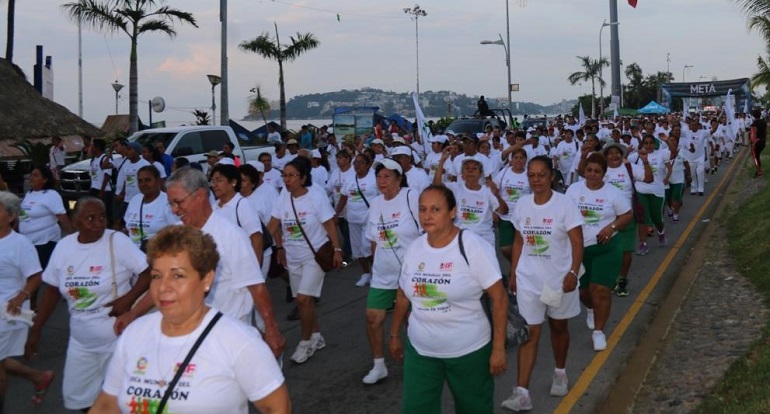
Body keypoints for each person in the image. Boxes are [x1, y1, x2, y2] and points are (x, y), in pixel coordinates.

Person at [90, 225, 291, 413]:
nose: (163, 287)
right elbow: (107, 404)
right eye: (156, 276)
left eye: (177, 276)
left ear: (206, 279)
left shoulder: (239, 342)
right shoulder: (135, 334)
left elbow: (278, 407)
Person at [114, 167, 285, 357]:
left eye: (178, 202)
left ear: (201, 195)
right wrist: (133, 313)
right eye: (171, 204)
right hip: (191, 340)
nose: (174, 210)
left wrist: (272, 330)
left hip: (229, 340)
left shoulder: (230, 236)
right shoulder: (175, 236)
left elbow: (256, 287)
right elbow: (163, 284)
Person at [389, 184, 508, 413]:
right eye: (423, 209)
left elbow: (500, 298)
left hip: (469, 352)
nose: (427, 216)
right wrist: (394, 334)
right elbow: (403, 294)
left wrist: (498, 348)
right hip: (421, 351)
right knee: (415, 409)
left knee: (474, 408)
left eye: (435, 209)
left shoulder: (472, 246)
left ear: (453, 212)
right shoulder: (414, 248)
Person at [25, 198, 150, 411]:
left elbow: (148, 272)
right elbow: (52, 291)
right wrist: (36, 329)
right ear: (75, 222)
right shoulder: (64, 247)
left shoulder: (117, 241)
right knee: (81, 400)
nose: (98, 223)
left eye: (102, 217)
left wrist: (128, 299)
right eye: (90, 218)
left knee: (122, 401)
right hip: (82, 343)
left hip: (118, 341)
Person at [501, 155, 584, 412]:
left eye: (541, 175)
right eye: (532, 175)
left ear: (551, 176)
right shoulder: (523, 204)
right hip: (528, 281)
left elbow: (577, 241)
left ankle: (560, 372)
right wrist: (514, 273)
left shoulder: (564, 204)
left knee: (559, 328)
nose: (536, 180)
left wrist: (572, 272)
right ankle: (522, 393)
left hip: (557, 281)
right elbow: (518, 240)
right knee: (530, 335)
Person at [267, 158, 343, 364]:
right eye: (285, 175)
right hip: (293, 258)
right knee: (305, 302)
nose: (287, 179)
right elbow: (273, 225)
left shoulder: (315, 197)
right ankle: (317, 336)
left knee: (302, 299)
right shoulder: (283, 198)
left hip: (314, 256)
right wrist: (270, 246)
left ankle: (305, 342)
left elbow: (329, 224)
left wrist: (337, 249)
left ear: (303, 178)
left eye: (291, 175)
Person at [360, 158, 422, 385]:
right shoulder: (375, 204)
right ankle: (378, 365)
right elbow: (374, 239)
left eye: (387, 176)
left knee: (412, 319)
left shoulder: (411, 196)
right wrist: (376, 265)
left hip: (411, 273)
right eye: (379, 176)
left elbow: (426, 230)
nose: (382, 181)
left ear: (399, 179)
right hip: (383, 274)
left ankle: (418, 363)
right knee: (372, 317)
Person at [566, 153, 632, 351]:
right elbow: (564, 215)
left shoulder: (613, 193)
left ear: (604, 173)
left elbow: (627, 215)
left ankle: (599, 332)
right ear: (584, 171)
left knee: (600, 290)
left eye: (597, 171)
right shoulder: (573, 190)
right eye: (589, 170)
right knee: (584, 292)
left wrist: (610, 228)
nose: (593, 175)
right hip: (579, 249)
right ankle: (590, 309)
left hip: (607, 248)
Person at [0, 191, 55, 409]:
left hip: (8, 311)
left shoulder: (20, 244)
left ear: (11, 216)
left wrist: (21, 296)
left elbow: (36, 276)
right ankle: (38, 377)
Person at [19, 165, 74, 309]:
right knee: (31, 275)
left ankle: (33, 305)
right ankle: (33, 304)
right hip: (28, 242)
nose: (32, 178)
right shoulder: (30, 194)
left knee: (35, 276)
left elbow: (62, 216)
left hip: (45, 242)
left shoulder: (51, 195)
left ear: (45, 179)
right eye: (31, 175)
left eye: (36, 175)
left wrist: (73, 237)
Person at [602, 143, 652, 297]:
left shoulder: (629, 168)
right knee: (607, 250)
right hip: (605, 217)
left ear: (622, 155)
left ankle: (622, 280)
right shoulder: (601, 170)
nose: (614, 156)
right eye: (610, 153)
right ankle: (609, 279)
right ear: (605, 156)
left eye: (617, 153)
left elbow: (648, 178)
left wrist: (645, 161)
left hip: (627, 215)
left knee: (625, 250)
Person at [434, 151, 507, 249]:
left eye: (474, 168)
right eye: (467, 168)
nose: (470, 171)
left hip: (483, 239)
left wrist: (497, 195)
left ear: (480, 174)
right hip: (460, 238)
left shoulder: (488, 191)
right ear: (462, 174)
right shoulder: (456, 188)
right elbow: (436, 186)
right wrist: (442, 161)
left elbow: (504, 211)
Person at [335, 153, 378, 287]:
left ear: (368, 165)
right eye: (355, 163)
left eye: (360, 162)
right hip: (353, 219)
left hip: (369, 219)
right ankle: (366, 274)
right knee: (357, 249)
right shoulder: (350, 179)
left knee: (367, 247)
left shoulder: (374, 178)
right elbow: (343, 197)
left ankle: (376, 274)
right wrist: (336, 213)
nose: (357, 165)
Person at [627, 134, 671, 255]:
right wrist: (626, 152)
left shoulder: (661, 154)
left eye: (651, 142)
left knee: (657, 217)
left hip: (657, 191)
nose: (648, 145)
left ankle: (661, 232)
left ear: (655, 143)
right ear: (643, 144)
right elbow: (624, 163)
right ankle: (643, 244)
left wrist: (667, 177)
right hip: (641, 190)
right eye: (646, 143)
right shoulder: (635, 156)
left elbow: (673, 153)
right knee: (642, 218)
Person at [123, 165, 179, 251]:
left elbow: (177, 233)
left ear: (158, 181)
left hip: (157, 255)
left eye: (148, 180)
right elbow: (127, 227)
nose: (143, 184)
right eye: (140, 181)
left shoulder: (167, 201)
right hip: (133, 255)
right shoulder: (135, 200)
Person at [494, 148, 531, 264]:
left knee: (521, 246)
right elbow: (494, 190)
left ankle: (516, 271)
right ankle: (518, 264)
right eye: (516, 157)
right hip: (505, 216)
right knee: (505, 248)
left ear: (525, 160)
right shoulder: (504, 172)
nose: (519, 160)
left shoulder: (529, 175)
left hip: (523, 217)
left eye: (521, 158)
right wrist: (495, 210)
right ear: (511, 159)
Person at [663, 135, 691, 223]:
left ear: (677, 142)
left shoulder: (682, 152)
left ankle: (675, 215)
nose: (672, 142)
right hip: (667, 180)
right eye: (670, 140)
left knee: (676, 200)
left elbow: (686, 164)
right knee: (668, 199)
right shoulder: (664, 152)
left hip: (678, 180)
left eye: (674, 140)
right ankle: (669, 208)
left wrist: (688, 176)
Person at [88, 139, 114, 226]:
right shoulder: (93, 159)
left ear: (97, 147)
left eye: (92, 146)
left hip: (103, 190)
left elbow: (107, 176)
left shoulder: (104, 159)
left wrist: (102, 191)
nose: (90, 148)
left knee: (104, 211)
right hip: (94, 188)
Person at [750, 108, 766, 177]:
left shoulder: (754, 124)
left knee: (755, 157)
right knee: (757, 156)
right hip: (763, 140)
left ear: (753, 115)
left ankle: (759, 172)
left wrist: (753, 143)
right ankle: (758, 170)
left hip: (756, 142)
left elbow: (754, 134)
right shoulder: (763, 122)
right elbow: (765, 132)